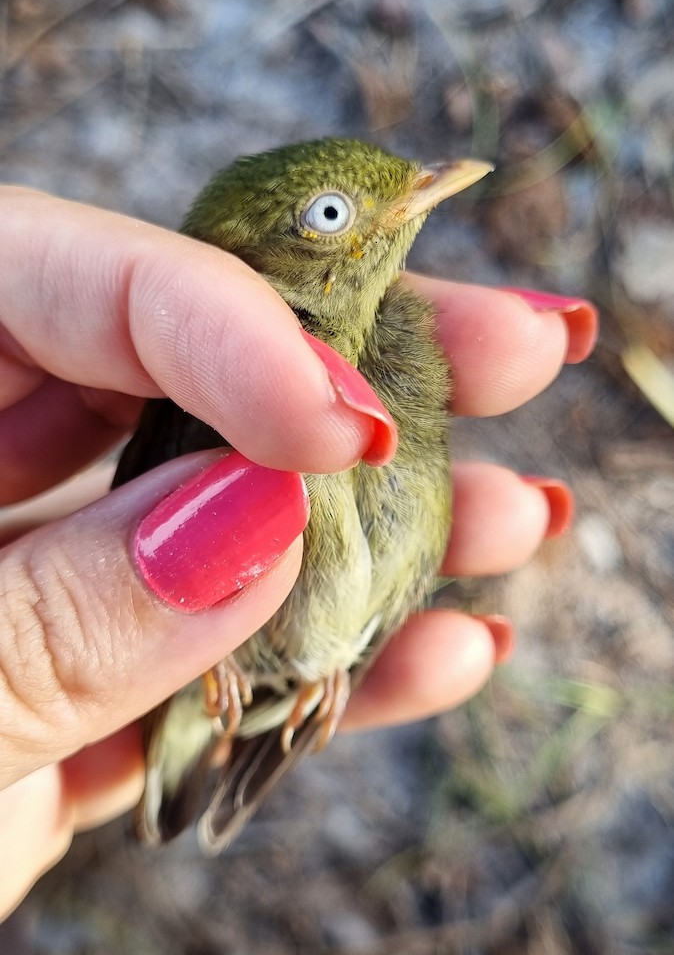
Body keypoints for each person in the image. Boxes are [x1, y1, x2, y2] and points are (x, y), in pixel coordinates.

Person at [0, 186, 596, 918]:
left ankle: (304, 680)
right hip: (202, 662)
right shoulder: (224, 368)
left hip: (306, 645)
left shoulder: (401, 337)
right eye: (332, 212)